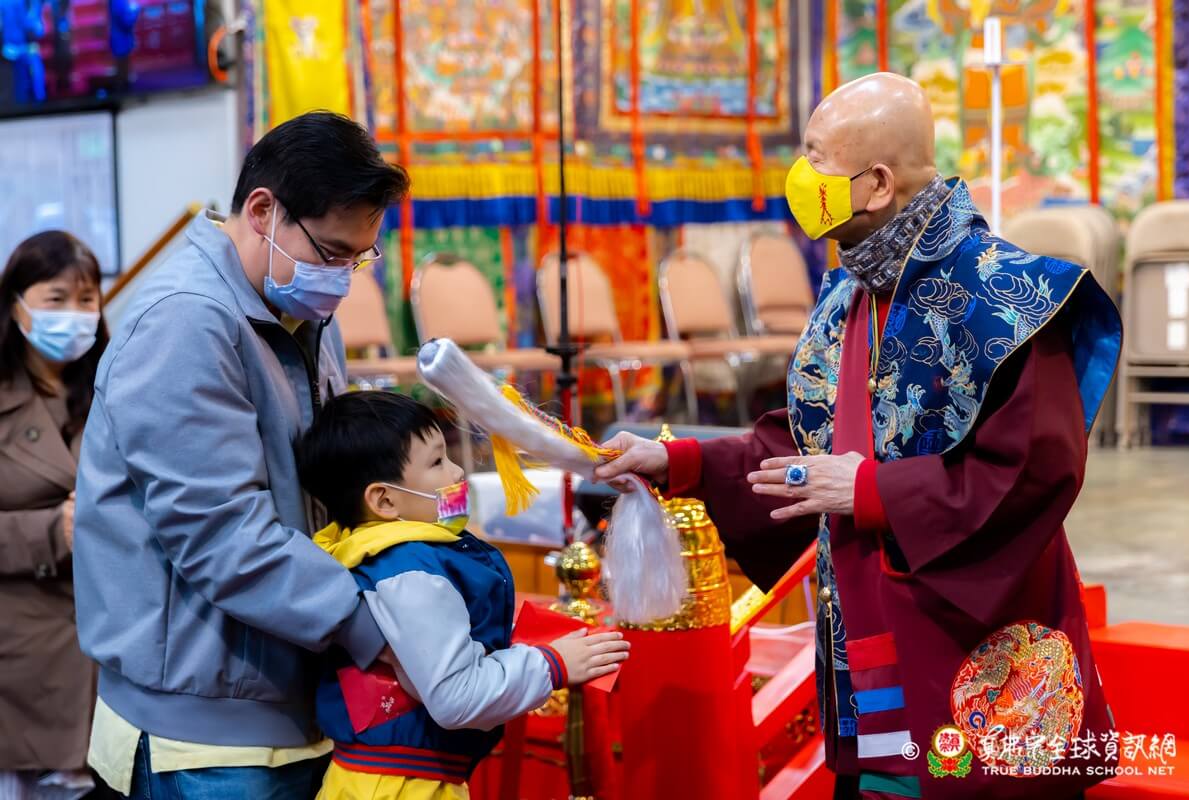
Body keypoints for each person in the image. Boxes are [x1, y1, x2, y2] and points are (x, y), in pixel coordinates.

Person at [596, 73, 1122, 800]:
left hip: (973, 641)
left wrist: (873, 490)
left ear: (876, 183)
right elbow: (810, 448)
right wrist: (676, 460)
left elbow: (1034, 472)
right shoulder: (850, 293)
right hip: (861, 625)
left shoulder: (1008, 297)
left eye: (816, 159)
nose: (799, 177)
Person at [73, 111, 410, 799]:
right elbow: (221, 532)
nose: (342, 278)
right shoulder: (185, 321)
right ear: (262, 211)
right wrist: (372, 627)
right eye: (331, 252)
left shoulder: (303, 312)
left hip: (292, 693)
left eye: (358, 258)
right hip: (202, 732)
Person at [297, 391, 629, 800]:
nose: (456, 471)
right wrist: (552, 664)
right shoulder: (411, 573)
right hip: (402, 789)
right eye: (437, 462)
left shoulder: (390, 556)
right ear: (384, 499)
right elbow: (455, 695)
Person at [0, 231, 107, 799]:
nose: (74, 314)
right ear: (17, 304)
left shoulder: (115, 388)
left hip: (107, 644)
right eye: (56, 298)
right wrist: (51, 531)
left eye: (87, 298)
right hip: (19, 657)